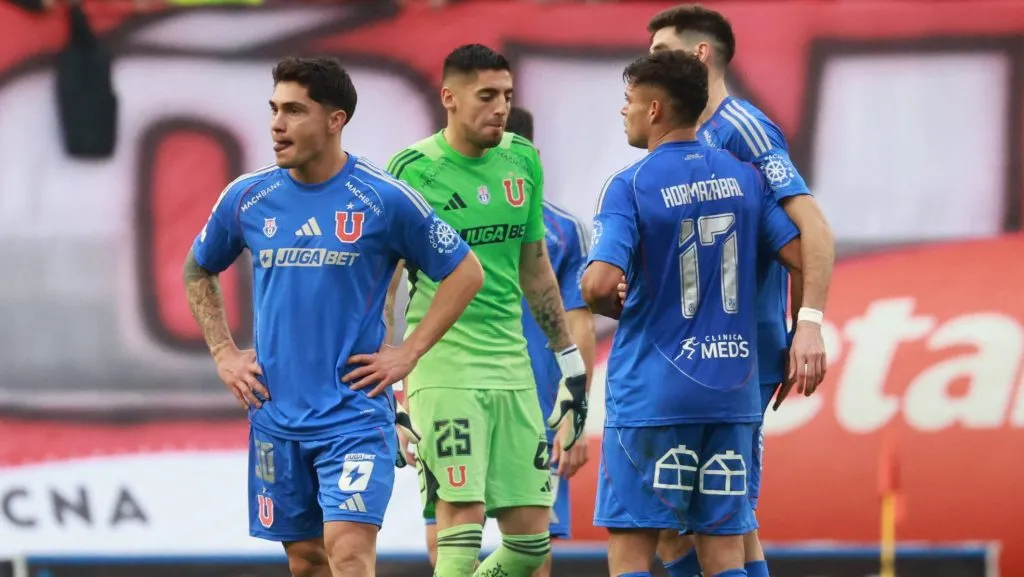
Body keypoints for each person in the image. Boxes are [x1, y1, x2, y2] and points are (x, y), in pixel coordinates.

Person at [182, 56, 483, 577]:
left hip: (353, 417)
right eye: (274, 109)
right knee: (305, 561)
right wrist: (224, 354)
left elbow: (465, 271)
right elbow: (197, 270)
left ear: (335, 119)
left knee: (348, 553)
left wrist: (408, 353)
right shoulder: (249, 196)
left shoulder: (383, 198)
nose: (277, 123)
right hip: (276, 416)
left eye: (294, 110)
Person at [580, 50, 804, 577]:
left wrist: (597, 295)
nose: (624, 112)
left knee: (634, 543)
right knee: (725, 546)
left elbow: (599, 283)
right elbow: (798, 255)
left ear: (655, 109)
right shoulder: (747, 180)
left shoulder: (630, 185)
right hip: (731, 390)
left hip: (653, 394)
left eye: (629, 102)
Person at [385, 44, 589, 577]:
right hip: (444, 370)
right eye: (486, 96)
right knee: (460, 530)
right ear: (449, 98)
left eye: (507, 96)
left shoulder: (521, 159)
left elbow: (536, 269)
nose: (500, 107)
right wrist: (392, 387)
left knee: (530, 545)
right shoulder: (412, 170)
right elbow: (384, 285)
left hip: (514, 370)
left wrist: (569, 362)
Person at [644, 6, 834, 576]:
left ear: (699, 55)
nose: (647, 66)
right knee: (718, 521)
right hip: (695, 352)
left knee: (696, 524)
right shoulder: (684, 138)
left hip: (737, 351)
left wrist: (808, 324)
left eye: (660, 53)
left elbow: (815, 231)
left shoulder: (742, 128)